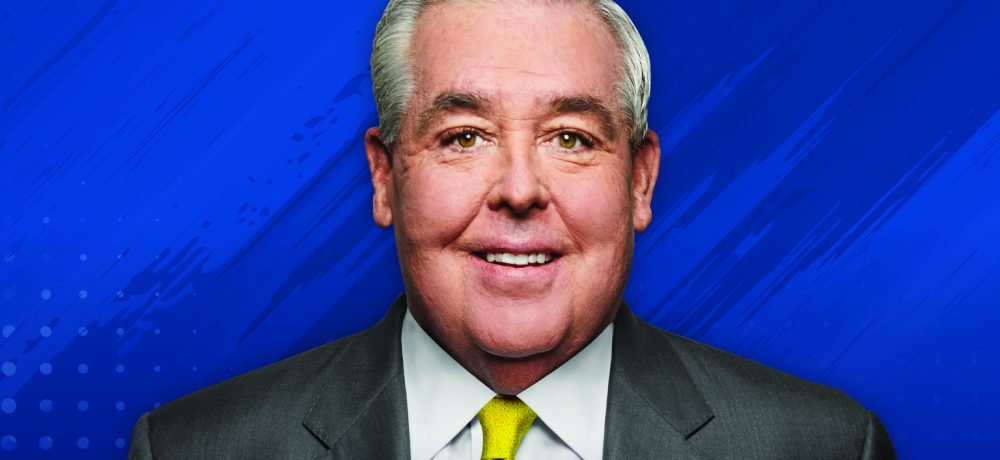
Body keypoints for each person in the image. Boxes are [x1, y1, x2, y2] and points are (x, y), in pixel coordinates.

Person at [128, 0, 895, 458]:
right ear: (385, 177)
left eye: (571, 137)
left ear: (639, 180)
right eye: (463, 136)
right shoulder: (196, 451)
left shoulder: (823, 448)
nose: (520, 190)